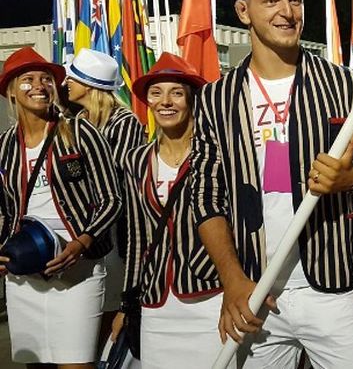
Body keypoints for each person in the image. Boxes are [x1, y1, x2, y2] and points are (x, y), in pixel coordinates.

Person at [191, 0, 353, 368]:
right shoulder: (215, 98)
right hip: (258, 291)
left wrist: (351, 177)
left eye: (295, 0)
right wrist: (233, 279)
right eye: (271, 1)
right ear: (242, 11)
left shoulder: (343, 84)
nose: (287, 11)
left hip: (333, 288)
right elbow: (206, 195)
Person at [0, 47, 121, 368]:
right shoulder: (5, 145)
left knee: (75, 363)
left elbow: (112, 199)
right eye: (28, 79)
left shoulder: (80, 132)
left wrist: (82, 243)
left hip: (78, 273)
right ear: (11, 90)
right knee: (35, 363)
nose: (39, 85)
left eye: (46, 79)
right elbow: (5, 209)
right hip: (23, 276)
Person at [108, 52, 222, 369]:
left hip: (210, 295)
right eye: (156, 93)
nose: (165, 101)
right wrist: (127, 304)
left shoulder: (215, 155)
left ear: (191, 99)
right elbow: (136, 237)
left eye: (176, 92)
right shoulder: (134, 160)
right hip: (155, 300)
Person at [63, 47, 146, 345]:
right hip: (86, 228)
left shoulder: (125, 123)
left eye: (72, 77)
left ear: (89, 84)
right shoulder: (76, 122)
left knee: (108, 312)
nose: (66, 83)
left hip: (113, 232)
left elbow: (120, 181)